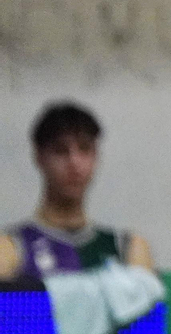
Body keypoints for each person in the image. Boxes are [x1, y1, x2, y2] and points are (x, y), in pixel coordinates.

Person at [0, 103, 155, 279]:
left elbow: (153, 306)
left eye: (84, 148)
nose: (74, 162)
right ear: (39, 157)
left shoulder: (128, 248)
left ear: (96, 156)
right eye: (61, 151)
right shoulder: (10, 249)